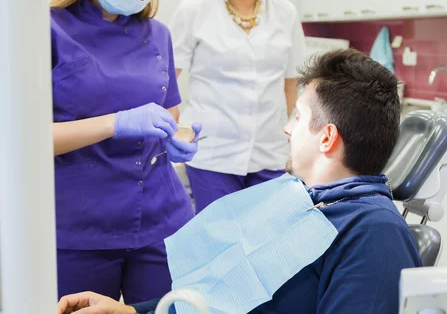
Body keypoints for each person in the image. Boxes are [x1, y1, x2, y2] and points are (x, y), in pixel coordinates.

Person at [57, 49, 423, 314]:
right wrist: (132, 313)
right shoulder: (309, 202)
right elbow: (224, 293)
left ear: (327, 138)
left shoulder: (373, 233)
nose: (286, 128)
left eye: (297, 117)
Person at [50, 0, 201, 304]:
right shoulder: (48, 30)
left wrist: (176, 140)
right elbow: (26, 141)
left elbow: (171, 113)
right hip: (81, 228)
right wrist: (115, 123)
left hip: (163, 218)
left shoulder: (158, 34)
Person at [169, 0, 306, 213]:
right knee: (220, 245)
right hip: (213, 154)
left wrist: (293, 140)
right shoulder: (194, 10)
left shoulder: (285, 12)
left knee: (267, 243)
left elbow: (290, 83)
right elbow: (168, 81)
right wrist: (174, 132)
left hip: (270, 153)